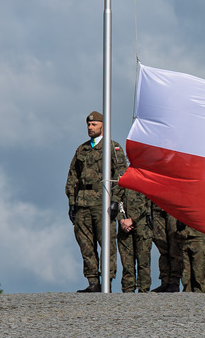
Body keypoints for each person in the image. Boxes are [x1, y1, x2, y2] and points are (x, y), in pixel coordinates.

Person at [65, 111, 125, 292]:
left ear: (102, 126)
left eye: (94, 125)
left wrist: (115, 201)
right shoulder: (81, 149)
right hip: (83, 202)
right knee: (85, 243)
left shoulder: (113, 148)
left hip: (102, 202)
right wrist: (72, 202)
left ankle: (107, 280)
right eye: (89, 125)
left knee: (106, 242)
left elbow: (121, 175)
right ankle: (93, 281)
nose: (90, 128)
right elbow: (72, 176)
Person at [117, 189, 155, 293]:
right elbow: (115, 197)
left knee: (143, 261)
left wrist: (132, 219)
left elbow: (150, 200)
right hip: (124, 225)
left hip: (143, 225)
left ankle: (143, 291)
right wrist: (122, 220)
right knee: (126, 262)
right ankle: (128, 290)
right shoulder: (121, 174)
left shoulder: (146, 175)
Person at [175, 220, 205, 293]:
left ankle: (199, 298)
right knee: (185, 272)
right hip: (183, 234)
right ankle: (187, 297)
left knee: (199, 271)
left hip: (199, 234)